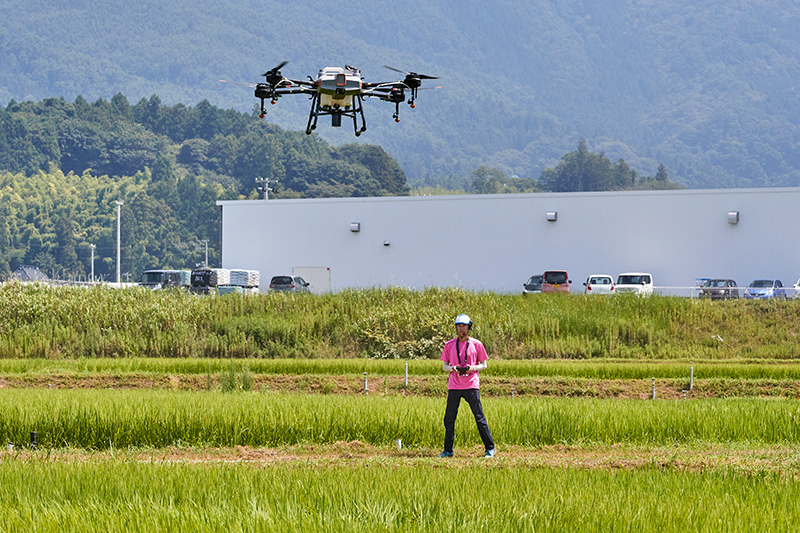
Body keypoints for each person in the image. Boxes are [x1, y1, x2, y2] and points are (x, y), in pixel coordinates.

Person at [438, 313, 495, 458]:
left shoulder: (477, 344)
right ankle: (448, 450)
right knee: (449, 418)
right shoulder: (449, 345)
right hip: (454, 386)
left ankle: (490, 448)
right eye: (458, 326)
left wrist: (473, 368)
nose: (461, 328)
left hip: (471, 385)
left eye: (463, 326)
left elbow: (484, 365)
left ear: (469, 327)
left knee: (479, 417)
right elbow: (444, 366)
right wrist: (453, 368)